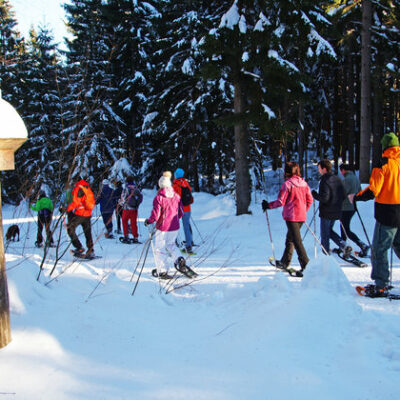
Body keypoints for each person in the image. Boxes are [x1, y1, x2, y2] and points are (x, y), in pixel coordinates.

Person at [353, 132, 400, 292]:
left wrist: (356, 197)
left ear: (385, 146)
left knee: (380, 249)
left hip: (388, 213)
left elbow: (373, 190)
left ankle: (381, 284)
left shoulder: (383, 163)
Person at [262, 162, 313, 275]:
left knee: (297, 241)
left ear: (287, 172)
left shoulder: (287, 184)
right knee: (290, 239)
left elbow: (281, 201)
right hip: (301, 216)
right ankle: (285, 262)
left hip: (292, 217)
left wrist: (268, 205)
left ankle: (306, 266)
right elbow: (310, 200)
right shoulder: (304, 183)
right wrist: (304, 211)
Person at [144, 175, 188, 279]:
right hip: (175, 226)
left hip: (163, 227)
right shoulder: (176, 196)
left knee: (160, 248)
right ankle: (179, 259)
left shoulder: (159, 198)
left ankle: (163, 270)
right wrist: (175, 219)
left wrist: (149, 221)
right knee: (171, 245)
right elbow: (181, 212)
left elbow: (156, 214)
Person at [311, 159, 352, 256]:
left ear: (324, 169)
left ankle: (325, 254)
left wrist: (314, 194)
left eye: (319, 168)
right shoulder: (337, 179)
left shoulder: (324, 180)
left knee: (325, 234)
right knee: (329, 231)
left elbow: (324, 198)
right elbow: (344, 195)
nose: (318, 170)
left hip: (326, 211)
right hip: (336, 210)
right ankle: (344, 245)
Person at [339, 164, 369, 257]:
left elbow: (342, 193)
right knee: (344, 228)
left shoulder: (347, 179)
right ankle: (343, 246)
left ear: (343, 170)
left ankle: (361, 244)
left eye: (341, 171)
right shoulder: (356, 179)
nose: (341, 173)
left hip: (346, 207)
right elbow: (360, 191)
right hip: (353, 207)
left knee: (345, 229)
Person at [66, 176, 96, 257]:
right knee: (88, 233)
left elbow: (76, 203)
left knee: (70, 228)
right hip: (88, 213)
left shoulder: (78, 188)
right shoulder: (87, 187)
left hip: (80, 213)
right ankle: (91, 250)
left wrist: (66, 209)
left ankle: (79, 247)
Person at [172, 168, 194, 254]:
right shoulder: (186, 183)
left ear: (176, 175)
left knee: (174, 225)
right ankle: (189, 244)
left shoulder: (175, 185)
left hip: (178, 209)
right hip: (187, 208)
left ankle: (173, 244)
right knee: (186, 226)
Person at [119, 176, 143, 243]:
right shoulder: (136, 188)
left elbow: (123, 198)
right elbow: (140, 197)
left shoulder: (126, 188)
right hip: (134, 209)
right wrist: (137, 204)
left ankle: (126, 236)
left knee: (124, 221)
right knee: (133, 223)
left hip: (126, 209)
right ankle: (135, 237)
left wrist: (120, 203)